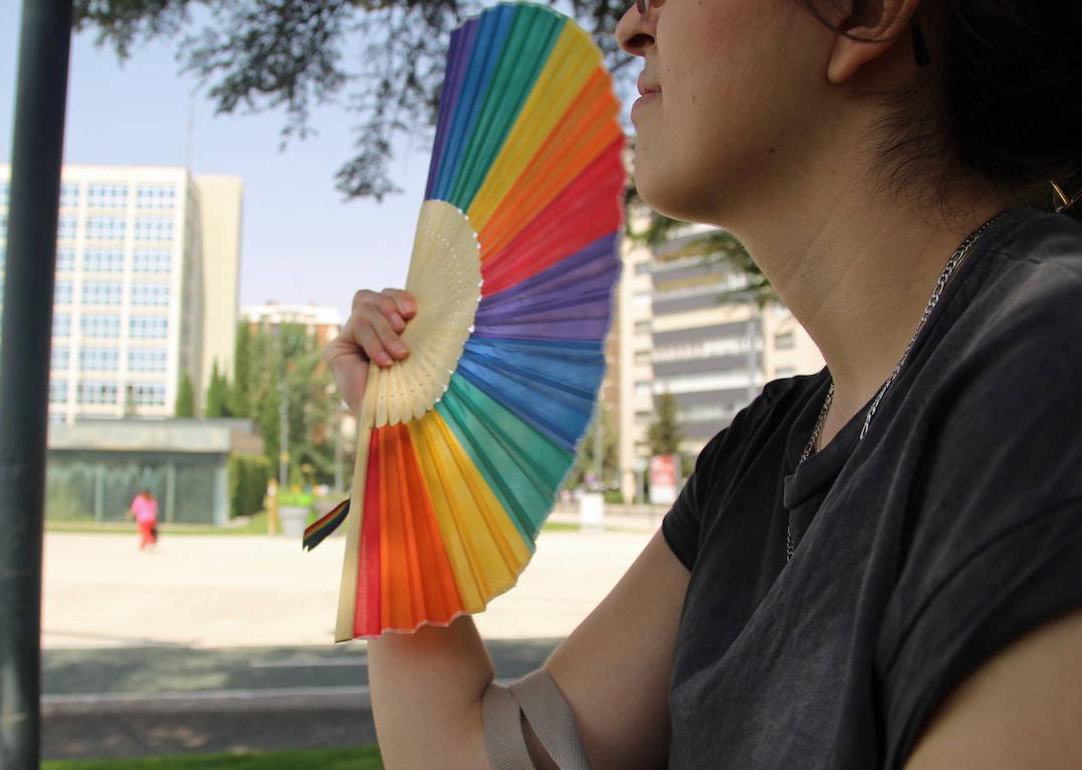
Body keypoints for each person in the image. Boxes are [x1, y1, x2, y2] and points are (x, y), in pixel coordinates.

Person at [325, 1, 1082, 768]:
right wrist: (401, 434)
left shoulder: (1050, 370)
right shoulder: (760, 454)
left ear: (864, 13)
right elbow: (468, 754)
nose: (629, 27)